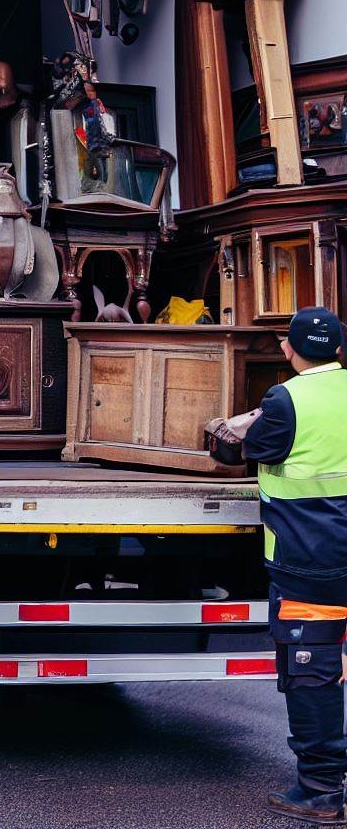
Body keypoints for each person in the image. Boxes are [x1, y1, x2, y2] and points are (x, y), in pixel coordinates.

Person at [242, 306, 347, 823]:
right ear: (341, 351)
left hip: (313, 562)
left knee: (313, 671)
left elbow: (252, 448)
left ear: (289, 349)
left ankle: (322, 787)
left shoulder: (285, 399)